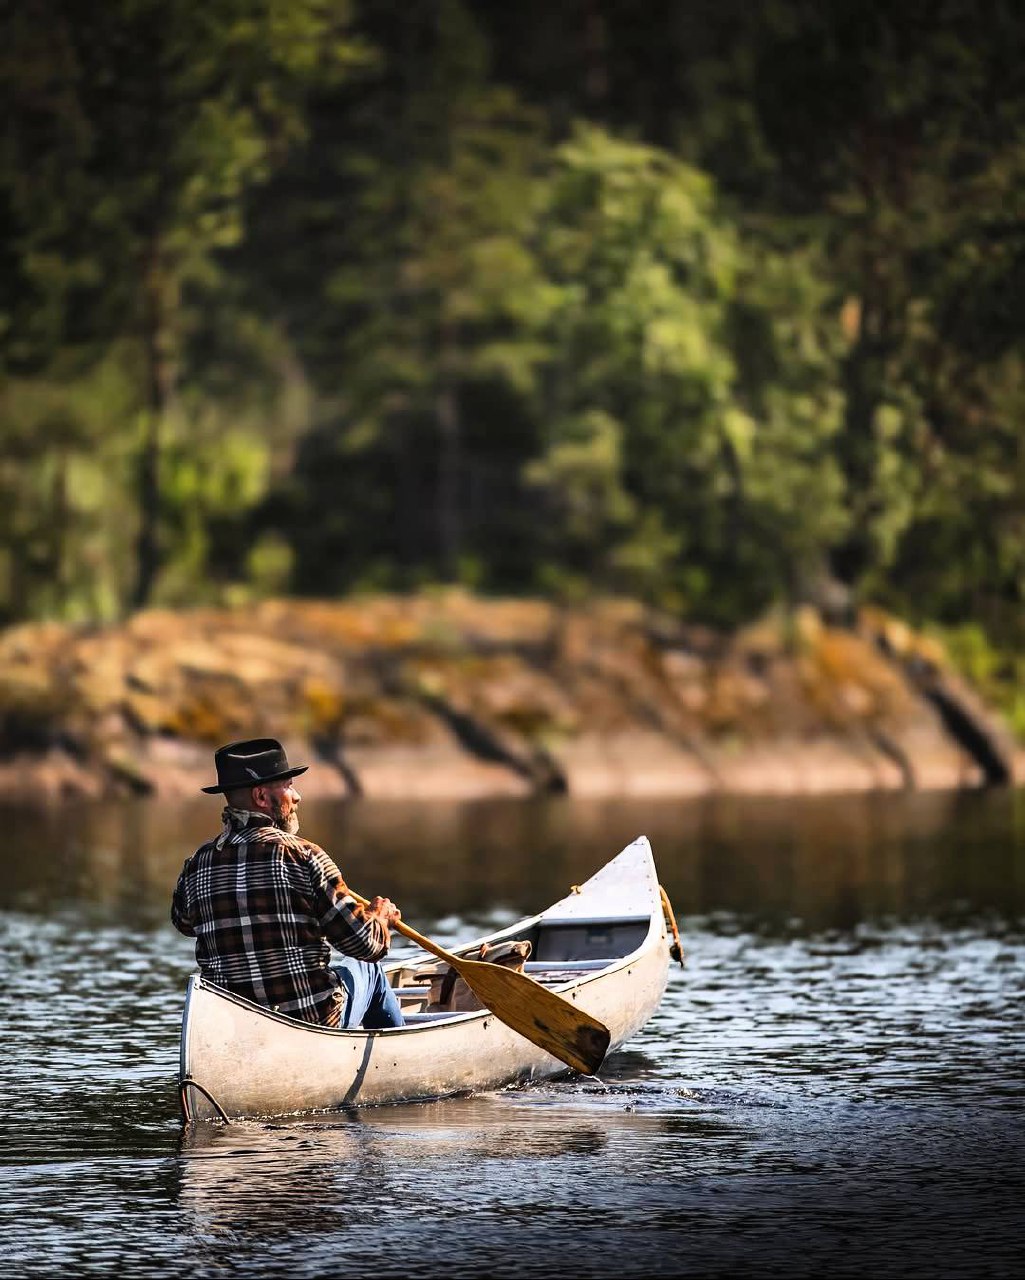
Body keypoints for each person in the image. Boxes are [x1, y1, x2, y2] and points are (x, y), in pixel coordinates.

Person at [172, 737, 404, 1029]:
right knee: (369, 970)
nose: (297, 797)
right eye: (289, 786)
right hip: (313, 1021)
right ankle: (402, 1051)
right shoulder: (305, 856)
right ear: (261, 797)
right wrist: (380, 919)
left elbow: (184, 923)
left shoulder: (196, 865)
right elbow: (366, 945)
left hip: (236, 1027)